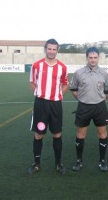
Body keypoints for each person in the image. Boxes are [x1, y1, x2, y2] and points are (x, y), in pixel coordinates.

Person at [28, 38, 69, 175]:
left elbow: (65, 84)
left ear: (57, 50)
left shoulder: (62, 67)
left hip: (56, 105)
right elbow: (32, 83)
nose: (51, 51)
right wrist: (41, 94)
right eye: (49, 49)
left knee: (57, 134)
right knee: (39, 134)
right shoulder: (36, 65)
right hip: (41, 104)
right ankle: (36, 163)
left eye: (54, 49)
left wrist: (57, 96)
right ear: (45, 49)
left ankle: (58, 163)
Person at [69, 47, 108, 172]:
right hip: (83, 106)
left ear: (98, 58)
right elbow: (73, 89)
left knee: (102, 134)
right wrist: (82, 99)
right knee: (80, 134)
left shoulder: (104, 73)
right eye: (90, 57)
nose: (93, 60)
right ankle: (79, 161)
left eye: (95, 57)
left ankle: (102, 161)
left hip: (100, 107)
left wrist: (100, 99)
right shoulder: (79, 73)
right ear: (87, 57)